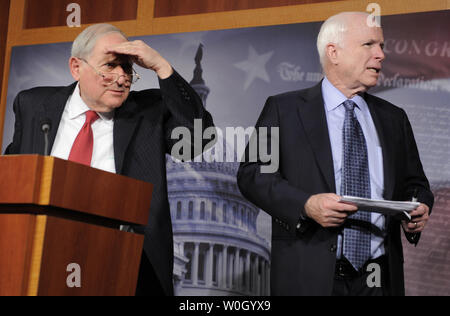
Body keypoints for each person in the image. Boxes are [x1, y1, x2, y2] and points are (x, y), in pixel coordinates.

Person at [4, 23, 214, 296]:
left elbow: (199, 138)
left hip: (125, 265)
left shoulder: (149, 112)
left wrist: (163, 67)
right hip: (39, 256)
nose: (121, 78)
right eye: (110, 66)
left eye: (127, 68)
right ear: (76, 67)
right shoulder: (33, 104)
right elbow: (12, 177)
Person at [237, 12, 433, 296]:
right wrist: (306, 204)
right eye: (369, 45)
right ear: (334, 52)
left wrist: (418, 207)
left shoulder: (394, 119)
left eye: (382, 46)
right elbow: (252, 174)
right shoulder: (284, 109)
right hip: (310, 278)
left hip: (378, 280)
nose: (380, 55)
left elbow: (415, 184)